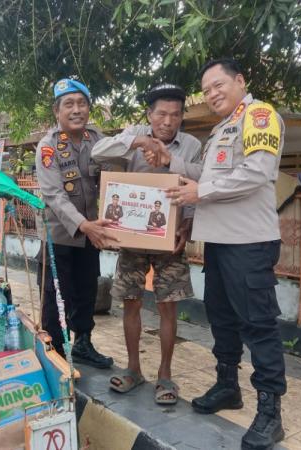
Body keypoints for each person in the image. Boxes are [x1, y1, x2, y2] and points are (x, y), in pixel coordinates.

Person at [145, 59, 286, 449]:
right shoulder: (222, 129)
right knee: (222, 319)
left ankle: (271, 412)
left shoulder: (259, 116)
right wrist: (171, 161)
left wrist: (198, 193)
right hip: (220, 244)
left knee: (258, 324)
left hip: (249, 242)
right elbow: (208, 174)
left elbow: (258, 172)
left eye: (219, 85)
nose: (212, 94)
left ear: (240, 81)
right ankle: (228, 385)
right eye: (206, 90)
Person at [92, 83, 201, 405]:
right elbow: (99, 152)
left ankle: (165, 375)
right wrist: (137, 141)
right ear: (149, 114)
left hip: (171, 241)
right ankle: (133, 369)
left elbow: (200, 180)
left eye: (176, 115)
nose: (168, 121)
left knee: (169, 307)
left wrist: (189, 223)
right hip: (133, 239)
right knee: (130, 301)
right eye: (162, 114)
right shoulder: (134, 133)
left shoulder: (192, 145)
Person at [35, 78, 118, 369]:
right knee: (56, 296)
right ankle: (55, 351)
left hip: (90, 235)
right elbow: (54, 195)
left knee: (87, 290)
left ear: (89, 108)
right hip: (60, 235)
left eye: (81, 103)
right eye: (68, 104)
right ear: (57, 112)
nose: (76, 110)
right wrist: (84, 225)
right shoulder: (48, 147)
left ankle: (83, 343)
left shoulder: (98, 140)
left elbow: (114, 177)